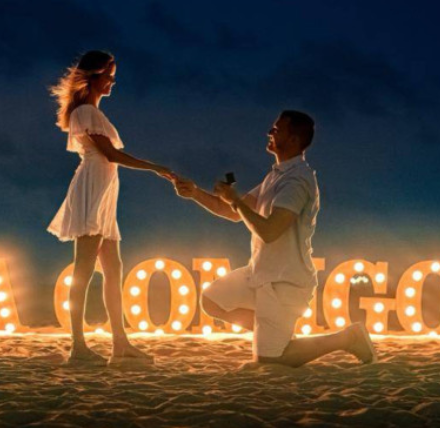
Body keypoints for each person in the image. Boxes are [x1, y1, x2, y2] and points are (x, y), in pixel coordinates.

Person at [171, 110, 377, 366]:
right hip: (259, 274)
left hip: (284, 283)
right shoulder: (275, 175)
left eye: (277, 130)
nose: (269, 132)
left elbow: (269, 231)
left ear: (293, 140)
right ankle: (273, 332)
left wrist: (236, 201)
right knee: (212, 300)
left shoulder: (297, 181)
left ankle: (346, 338)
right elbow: (233, 213)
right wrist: (194, 193)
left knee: (269, 361)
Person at [48, 50, 174, 364]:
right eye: (108, 75)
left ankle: (120, 343)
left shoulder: (92, 113)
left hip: (104, 190)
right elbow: (110, 155)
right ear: (93, 76)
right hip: (92, 188)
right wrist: (155, 167)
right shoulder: (86, 113)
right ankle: (78, 346)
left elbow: (109, 158)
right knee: (84, 269)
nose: (112, 81)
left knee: (113, 271)